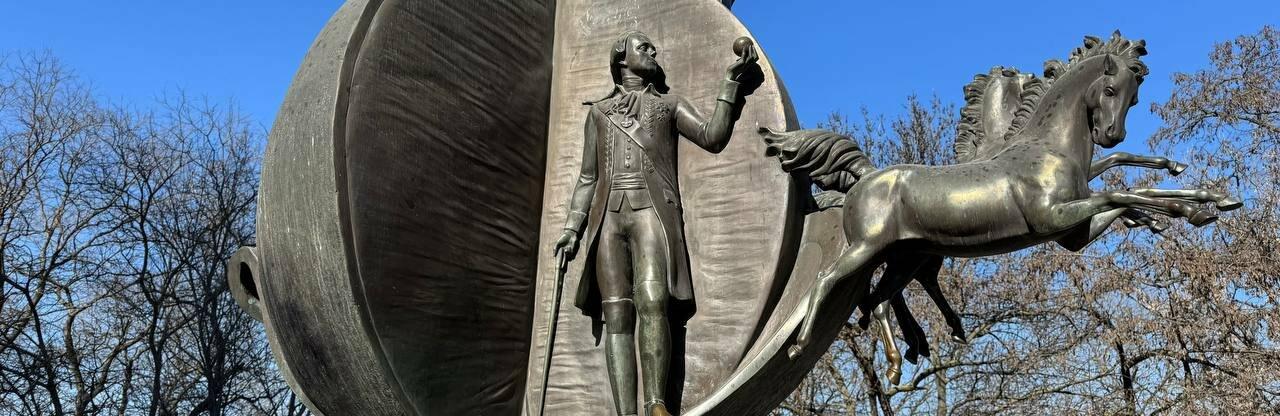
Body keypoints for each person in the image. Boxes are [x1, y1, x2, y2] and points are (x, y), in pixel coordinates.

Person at [553, 30, 757, 416]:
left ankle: (656, 404)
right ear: (622, 58)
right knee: (617, 313)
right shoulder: (599, 113)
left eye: (652, 47)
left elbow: (712, 137)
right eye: (643, 47)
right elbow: (587, 178)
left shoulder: (668, 105)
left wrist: (731, 85)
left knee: (652, 300)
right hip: (608, 219)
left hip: (652, 212)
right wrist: (571, 229)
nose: (653, 51)